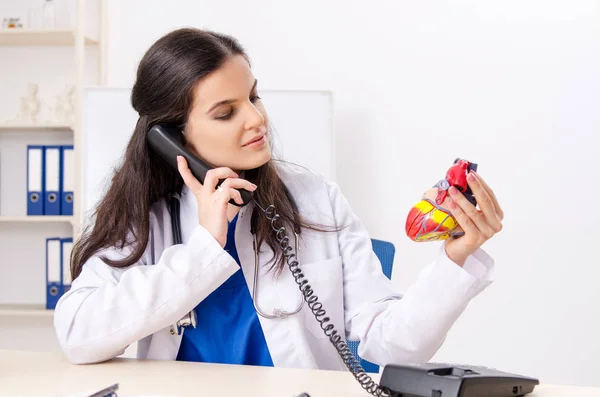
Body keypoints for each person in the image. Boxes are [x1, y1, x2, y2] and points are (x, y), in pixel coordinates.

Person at [53, 28, 503, 370]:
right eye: (226, 112)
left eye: (253, 97)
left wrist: (455, 260)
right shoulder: (147, 217)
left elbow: (393, 344)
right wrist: (205, 246)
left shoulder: (316, 200)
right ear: (171, 137)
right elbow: (78, 334)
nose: (255, 119)